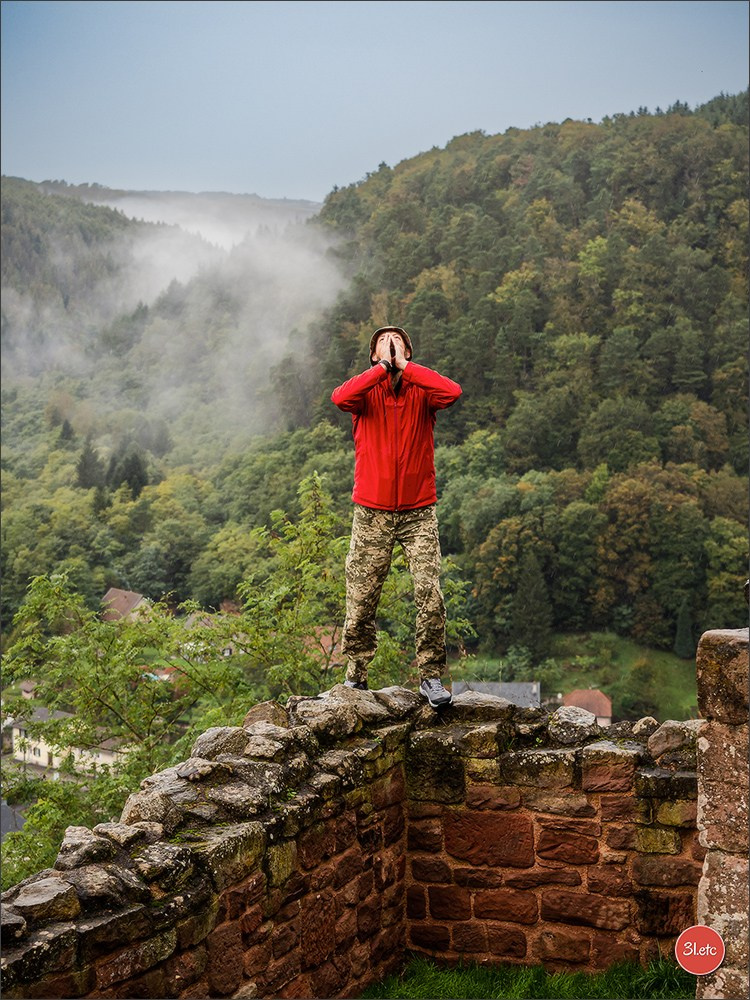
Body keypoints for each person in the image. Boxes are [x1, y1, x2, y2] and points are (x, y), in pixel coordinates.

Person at [331, 326, 462, 707]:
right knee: (361, 595)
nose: (391, 346)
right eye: (383, 344)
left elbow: (452, 392)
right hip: (371, 512)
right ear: (373, 355)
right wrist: (380, 369)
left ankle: (431, 677)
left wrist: (406, 366)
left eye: (398, 342)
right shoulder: (365, 393)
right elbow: (339, 397)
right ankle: (355, 676)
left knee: (429, 592)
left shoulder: (423, 391)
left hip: (419, 511)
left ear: (409, 350)